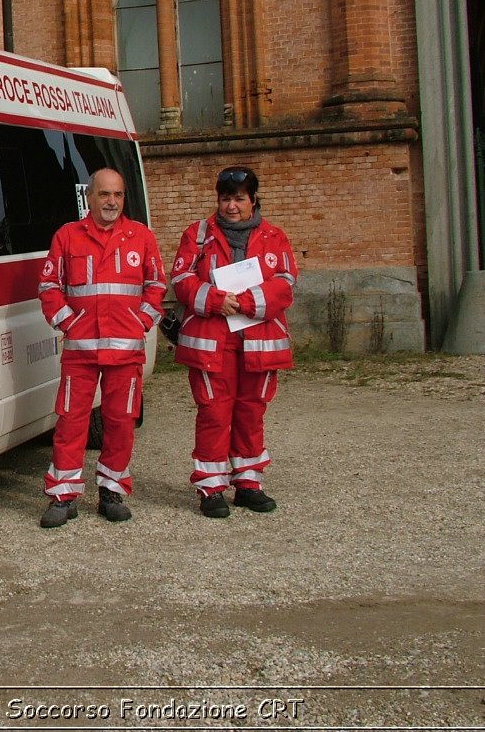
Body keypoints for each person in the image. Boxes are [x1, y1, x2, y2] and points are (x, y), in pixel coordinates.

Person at [37, 168, 166, 527]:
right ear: (89, 197)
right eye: (105, 194)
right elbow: (49, 285)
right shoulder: (67, 236)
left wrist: (140, 322)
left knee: (121, 422)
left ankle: (112, 491)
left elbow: (157, 285)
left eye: (118, 195)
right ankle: (63, 496)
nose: (112, 201)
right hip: (80, 351)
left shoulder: (140, 236)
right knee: (70, 422)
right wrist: (68, 322)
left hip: (125, 353)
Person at [169, 166, 297, 518]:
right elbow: (181, 279)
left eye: (239, 199)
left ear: (253, 200)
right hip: (213, 340)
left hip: (258, 340)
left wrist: (249, 302)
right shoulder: (197, 235)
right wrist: (213, 300)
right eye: (225, 199)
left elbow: (286, 283)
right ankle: (211, 488)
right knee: (214, 413)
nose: (231, 206)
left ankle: (248, 484)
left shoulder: (274, 237)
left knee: (251, 412)